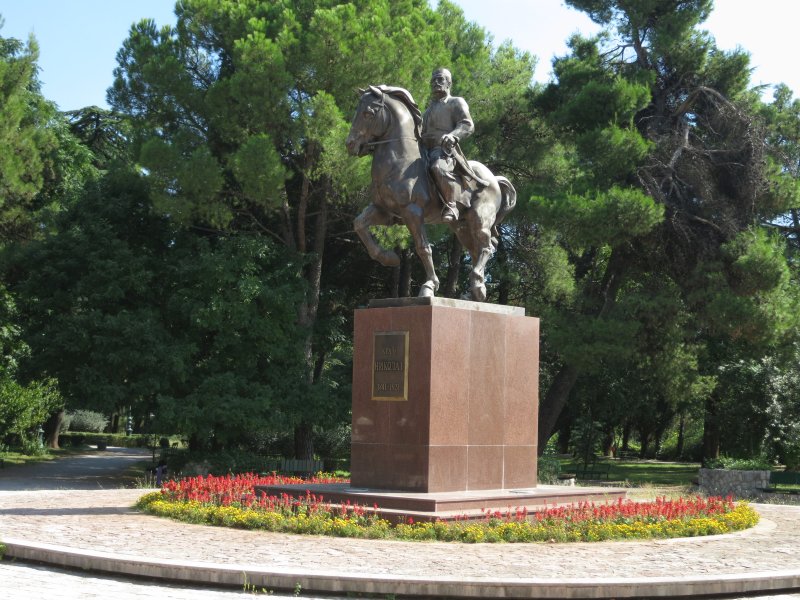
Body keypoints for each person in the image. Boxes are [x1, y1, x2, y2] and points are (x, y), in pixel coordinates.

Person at [421, 67, 487, 222]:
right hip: (425, 149)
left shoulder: (455, 102)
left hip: (443, 150)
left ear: (449, 82)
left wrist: (453, 136)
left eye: (440, 79)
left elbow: (467, 124)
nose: (435, 83)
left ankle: (452, 204)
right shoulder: (428, 110)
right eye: (433, 81)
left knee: (437, 167)